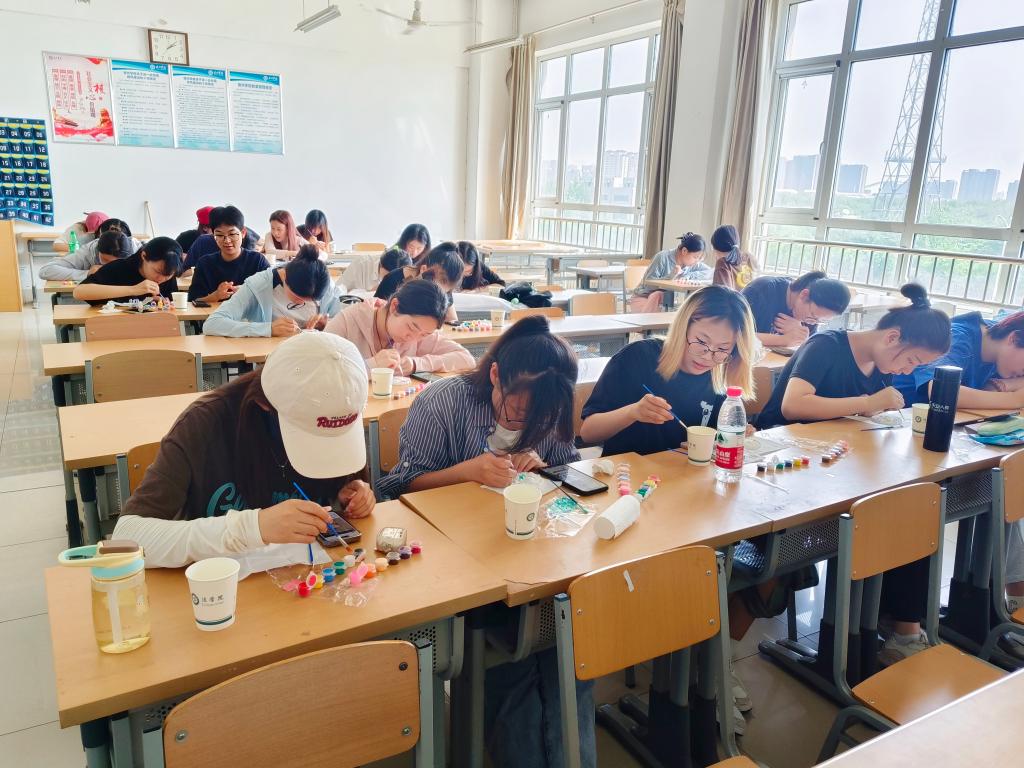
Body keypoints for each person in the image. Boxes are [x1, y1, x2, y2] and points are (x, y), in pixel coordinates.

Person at [375, 316, 593, 767]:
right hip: (456, 565)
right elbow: (397, 489)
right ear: (495, 374)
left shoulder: (549, 400)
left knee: (568, 651)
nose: (526, 423)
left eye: (539, 418)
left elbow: (568, 466)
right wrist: (468, 472)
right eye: (516, 413)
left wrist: (543, 465)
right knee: (526, 663)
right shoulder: (443, 402)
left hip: (531, 558)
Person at [111, 333, 375, 569]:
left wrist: (347, 497)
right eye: (311, 438)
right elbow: (128, 538)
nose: (321, 451)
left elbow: (338, 508)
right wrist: (252, 528)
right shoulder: (205, 424)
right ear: (264, 404)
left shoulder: (336, 406)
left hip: (308, 583)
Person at [581, 285, 757, 456]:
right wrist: (632, 412)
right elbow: (588, 433)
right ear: (683, 327)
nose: (707, 356)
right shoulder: (637, 358)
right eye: (701, 342)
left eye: (722, 349)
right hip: (628, 471)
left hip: (683, 472)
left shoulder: (721, 376)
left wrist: (725, 438)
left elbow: (715, 440)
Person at [756, 284, 949, 430]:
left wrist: (878, 408)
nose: (907, 371)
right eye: (911, 361)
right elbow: (792, 406)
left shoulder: (881, 365)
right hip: (780, 442)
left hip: (827, 444)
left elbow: (859, 411)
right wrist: (867, 403)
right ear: (892, 338)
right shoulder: (825, 345)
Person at [324, 278, 473, 374]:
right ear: (394, 306)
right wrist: (371, 365)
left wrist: (416, 364)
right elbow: (319, 371)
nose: (413, 338)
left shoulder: (421, 329)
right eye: (411, 328)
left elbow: (466, 358)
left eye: (424, 335)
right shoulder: (348, 321)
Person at [893, 311, 1024, 409]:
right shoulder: (957, 338)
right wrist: (1013, 399)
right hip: (899, 417)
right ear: (1014, 338)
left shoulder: (1001, 355)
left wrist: (1007, 385)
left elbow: (988, 392)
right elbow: (941, 391)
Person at [204, 245, 341, 338]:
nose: (302, 304)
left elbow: (344, 319)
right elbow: (212, 324)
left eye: (311, 301)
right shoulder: (258, 285)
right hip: (272, 358)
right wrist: (268, 329)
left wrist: (329, 324)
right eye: (298, 298)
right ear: (285, 276)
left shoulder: (323, 283)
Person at [742, 270, 851, 348]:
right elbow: (737, 336)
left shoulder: (814, 315)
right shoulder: (761, 290)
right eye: (812, 316)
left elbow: (807, 347)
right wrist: (783, 340)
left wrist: (802, 337)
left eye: (820, 321)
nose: (812, 322)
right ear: (804, 295)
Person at [188, 206, 270, 303]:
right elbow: (193, 300)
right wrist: (216, 296)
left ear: (243, 233)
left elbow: (272, 294)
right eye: (219, 235)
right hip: (214, 313)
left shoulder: (257, 261)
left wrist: (248, 292)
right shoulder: (205, 263)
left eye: (232, 234)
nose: (227, 240)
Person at [73, 236, 183, 304]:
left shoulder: (167, 271)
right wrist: (133, 290)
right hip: (114, 328)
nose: (161, 279)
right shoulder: (120, 268)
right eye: (157, 271)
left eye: (168, 275)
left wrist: (163, 304)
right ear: (144, 256)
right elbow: (79, 292)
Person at [374, 242, 465, 323]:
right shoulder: (392, 280)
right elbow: (375, 315)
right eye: (433, 289)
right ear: (424, 269)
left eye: (444, 292)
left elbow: (452, 319)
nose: (436, 295)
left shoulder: (443, 285)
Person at [630, 233, 712, 313]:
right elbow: (648, 285)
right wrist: (671, 277)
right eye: (695, 257)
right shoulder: (662, 257)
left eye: (699, 258)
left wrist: (689, 275)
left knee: (690, 306)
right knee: (658, 296)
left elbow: (711, 271)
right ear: (684, 251)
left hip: (666, 301)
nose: (697, 261)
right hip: (643, 297)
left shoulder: (692, 264)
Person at [39, 230, 134, 282]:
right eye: (105, 260)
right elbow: (46, 270)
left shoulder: (137, 251)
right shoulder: (87, 252)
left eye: (117, 262)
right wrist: (87, 274)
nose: (110, 267)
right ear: (98, 251)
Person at [710, 224, 759, 291]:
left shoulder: (723, 263)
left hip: (733, 298)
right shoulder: (750, 258)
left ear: (716, 248)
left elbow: (721, 293)